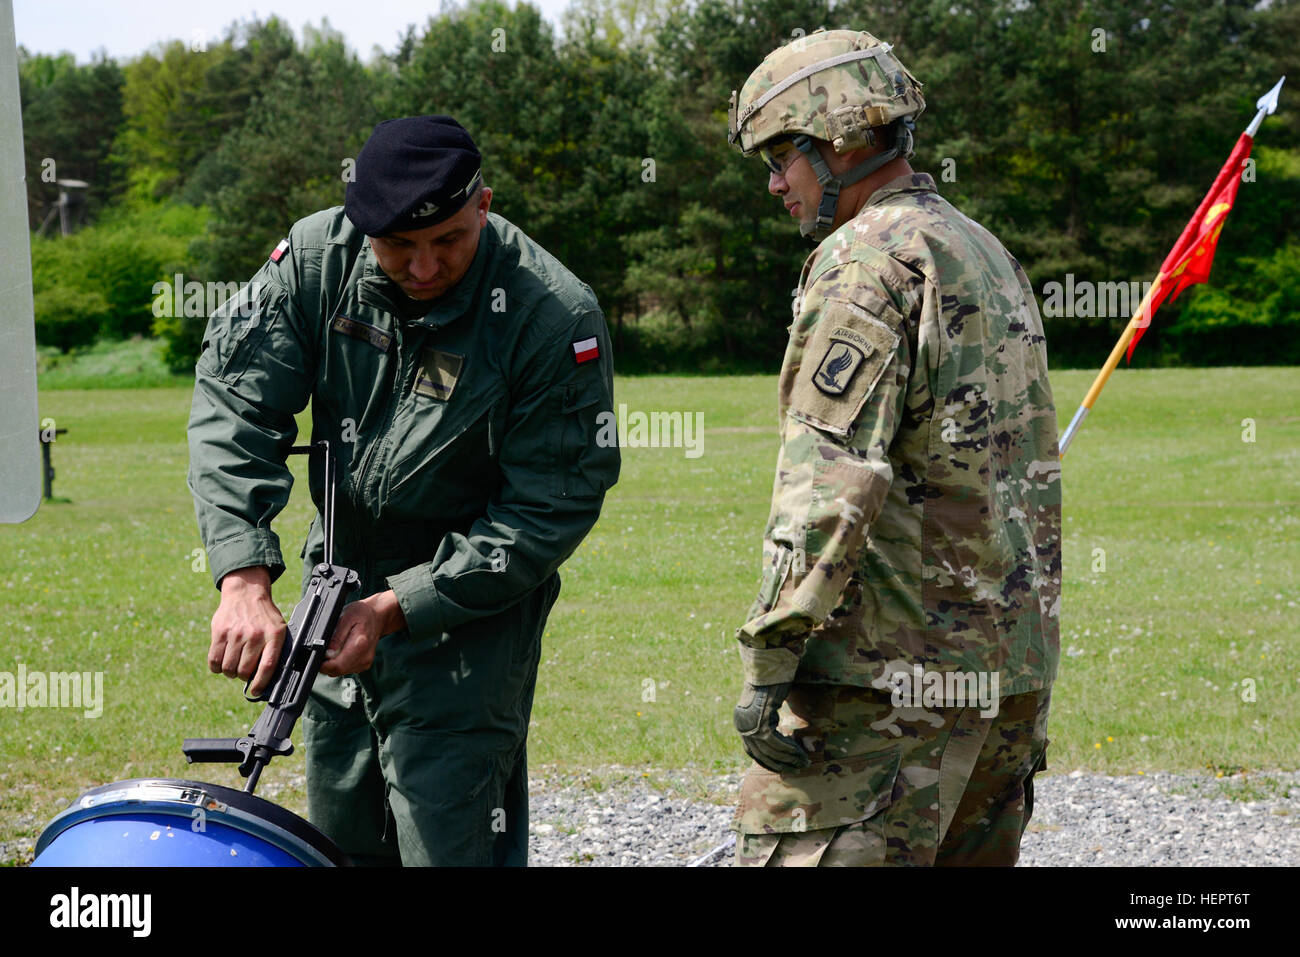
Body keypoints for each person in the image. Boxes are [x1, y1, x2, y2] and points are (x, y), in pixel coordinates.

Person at [187, 115, 619, 866]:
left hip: (468, 613)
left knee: (446, 836)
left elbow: (550, 505)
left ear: (483, 205)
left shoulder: (553, 314)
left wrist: (399, 607)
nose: (423, 268)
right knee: (339, 831)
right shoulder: (318, 260)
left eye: (448, 240)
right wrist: (243, 572)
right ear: (360, 229)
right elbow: (235, 402)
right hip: (337, 586)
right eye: (397, 248)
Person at [726, 29, 1061, 866]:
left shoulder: (864, 263)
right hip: (1004, 680)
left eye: (782, 158)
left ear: (840, 141)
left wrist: (770, 657)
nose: (773, 185)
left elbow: (829, 481)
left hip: (886, 691)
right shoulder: (983, 251)